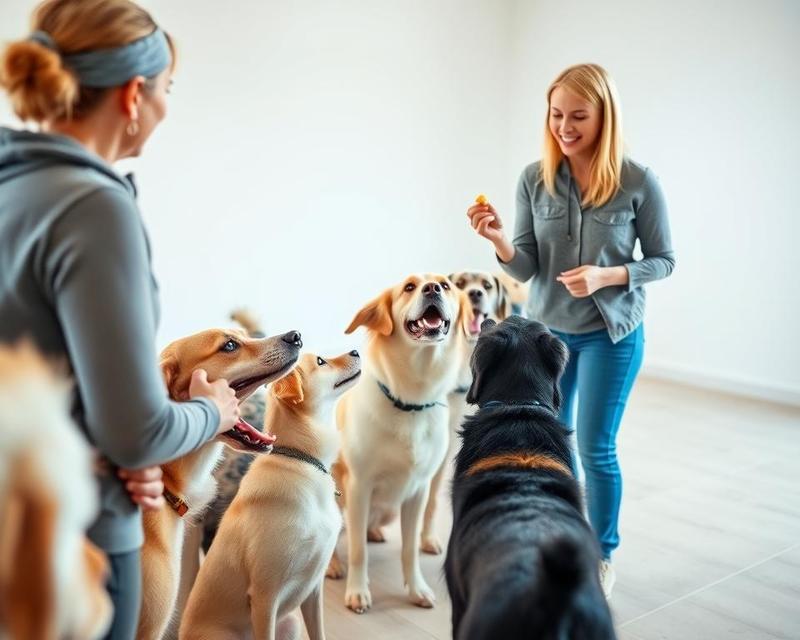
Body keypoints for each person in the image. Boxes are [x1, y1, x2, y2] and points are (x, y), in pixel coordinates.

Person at [0, 0, 240, 637]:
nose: (165, 105)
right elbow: (135, 429)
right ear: (135, 95)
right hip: (75, 541)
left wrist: (117, 436)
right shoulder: (94, 207)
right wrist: (211, 413)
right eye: (167, 89)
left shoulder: (11, 187)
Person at [467, 63, 675, 597]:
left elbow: (665, 260)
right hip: (546, 340)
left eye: (578, 116)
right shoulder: (533, 179)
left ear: (604, 116)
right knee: (550, 444)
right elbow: (523, 267)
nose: (564, 126)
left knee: (598, 447)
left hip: (613, 334)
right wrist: (497, 239)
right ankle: (553, 544)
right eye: (556, 114)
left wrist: (610, 274)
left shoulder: (637, 181)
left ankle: (600, 554)